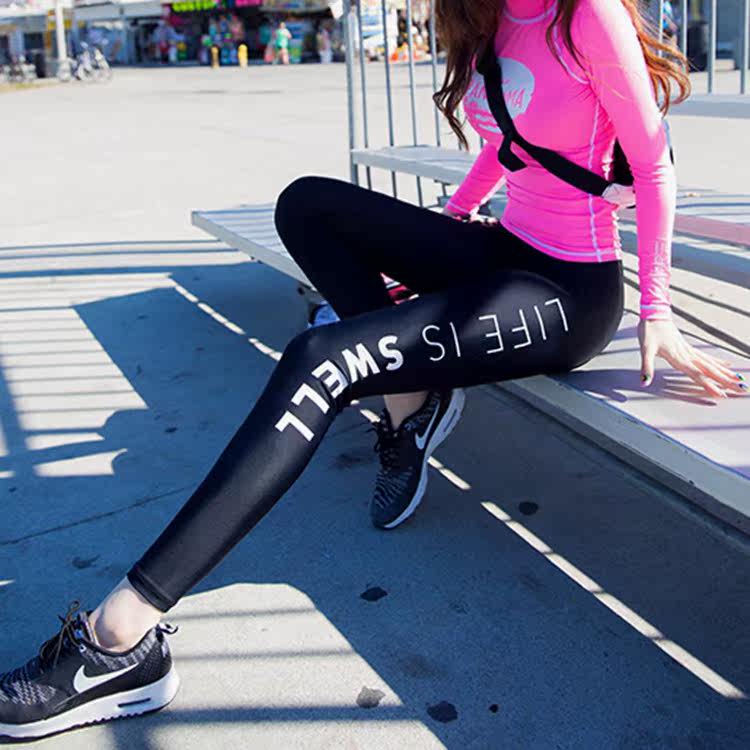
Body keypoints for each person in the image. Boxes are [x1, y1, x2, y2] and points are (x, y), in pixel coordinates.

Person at [1, 0, 747, 741]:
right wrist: (446, 225)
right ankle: (409, 402)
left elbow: (653, 163)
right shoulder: (489, 15)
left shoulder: (584, 15)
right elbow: (512, 140)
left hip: (568, 290)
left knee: (322, 357)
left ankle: (120, 638)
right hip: (501, 249)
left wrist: (658, 310)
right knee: (307, 205)